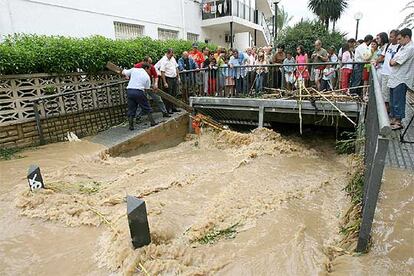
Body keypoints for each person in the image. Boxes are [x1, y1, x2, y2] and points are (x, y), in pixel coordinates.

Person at [388, 28, 414, 130]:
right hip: (395, 77)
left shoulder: (410, 48)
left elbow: (394, 62)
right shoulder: (403, 47)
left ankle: (398, 121)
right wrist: (392, 61)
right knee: (393, 100)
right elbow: (391, 61)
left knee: (398, 100)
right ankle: (394, 119)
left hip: (402, 78)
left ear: (406, 37)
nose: (398, 41)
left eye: (400, 39)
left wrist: (392, 61)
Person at [121, 63, 157, 130]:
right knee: (146, 107)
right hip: (139, 91)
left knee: (131, 109)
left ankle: (131, 126)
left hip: (129, 90)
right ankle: (152, 122)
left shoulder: (134, 70)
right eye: (149, 69)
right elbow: (147, 88)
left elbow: (123, 72)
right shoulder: (147, 76)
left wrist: (126, 76)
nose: (149, 71)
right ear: (146, 68)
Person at [375, 30, 401, 111]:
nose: (390, 38)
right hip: (385, 72)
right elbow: (382, 56)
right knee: (384, 93)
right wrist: (375, 61)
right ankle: (385, 110)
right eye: (390, 36)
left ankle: (389, 112)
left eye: (392, 37)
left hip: (393, 74)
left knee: (392, 95)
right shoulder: (388, 46)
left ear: (397, 37)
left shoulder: (400, 47)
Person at [159, 48, 180, 114]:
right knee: (169, 94)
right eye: (171, 54)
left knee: (174, 93)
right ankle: (168, 109)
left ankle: (173, 107)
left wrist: (178, 77)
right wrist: (165, 82)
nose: (172, 56)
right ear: (168, 53)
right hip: (168, 78)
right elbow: (162, 71)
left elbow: (176, 67)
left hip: (174, 78)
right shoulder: (164, 60)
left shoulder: (173, 58)